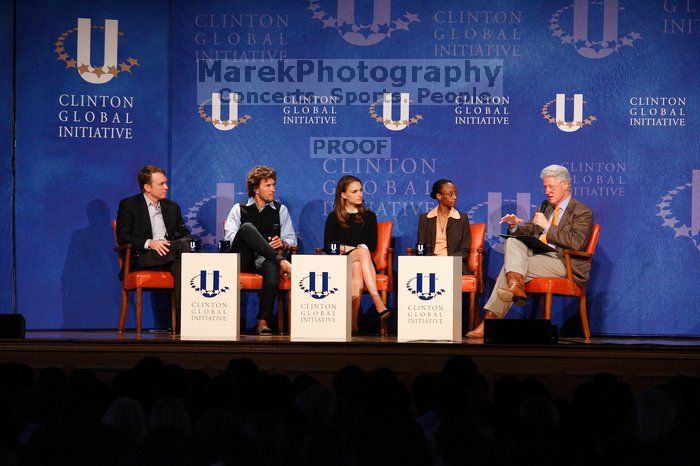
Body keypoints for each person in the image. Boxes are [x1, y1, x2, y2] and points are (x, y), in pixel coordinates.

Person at [466, 164, 594, 338]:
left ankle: (490, 320)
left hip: (564, 263)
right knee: (512, 241)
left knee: (508, 270)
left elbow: (576, 243)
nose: (547, 191)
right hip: (540, 257)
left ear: (565, 185)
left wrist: (547, 227)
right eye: (545, 187)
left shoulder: (581, 211)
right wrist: (514, 225)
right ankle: (515, 286)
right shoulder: (545, 206)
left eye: (551, 187)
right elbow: (528, 231)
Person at [116, 165, 191, 330]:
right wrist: (150, 242)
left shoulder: (172, 207)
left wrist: (178, 243)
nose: (166, 187)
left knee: (181, 262)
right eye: (161, 184)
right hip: (143, 255)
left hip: (171, 254)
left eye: (166, 183)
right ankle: (188, 320)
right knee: (183, 249)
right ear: (147, 187)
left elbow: (186, 234)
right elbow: (123, 236)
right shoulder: (129, 205)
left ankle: (183, 323)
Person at [224, 166, 295, 335]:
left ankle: (262, 321)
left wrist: (283, 243)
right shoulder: (239, 209)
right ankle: (282, 262)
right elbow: (230, 239)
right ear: (256, 188)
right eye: (268, 185)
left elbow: (291, 239)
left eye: (274, 185)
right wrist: (255, 242)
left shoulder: (280, 210)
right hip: (244, 259)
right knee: (247, 228)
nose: (273, 189)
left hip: (266, 259)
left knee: (271, 267)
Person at [324, 175, 392, 332]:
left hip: (362, 263)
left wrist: (355, 250)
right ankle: (377, 301)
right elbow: (329, 246)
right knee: (360, 253)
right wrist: (351, 249)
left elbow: (372, 244)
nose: (360, 194)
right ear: (343, 195)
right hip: (340, 262)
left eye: (361, 190)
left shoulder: (369, 216)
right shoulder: (334, 217)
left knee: (357, 266)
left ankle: (352, 324)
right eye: (354, 191)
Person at [416, 179, 471, 274]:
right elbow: (420, 247)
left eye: (456, 194)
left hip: (453, 265)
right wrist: (430, 260)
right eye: (450, 194)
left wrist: (446, 261)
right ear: (439, 196)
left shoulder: (462, 218)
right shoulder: (425, 218)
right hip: (429, 265)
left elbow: (465, 251)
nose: (455, 197)